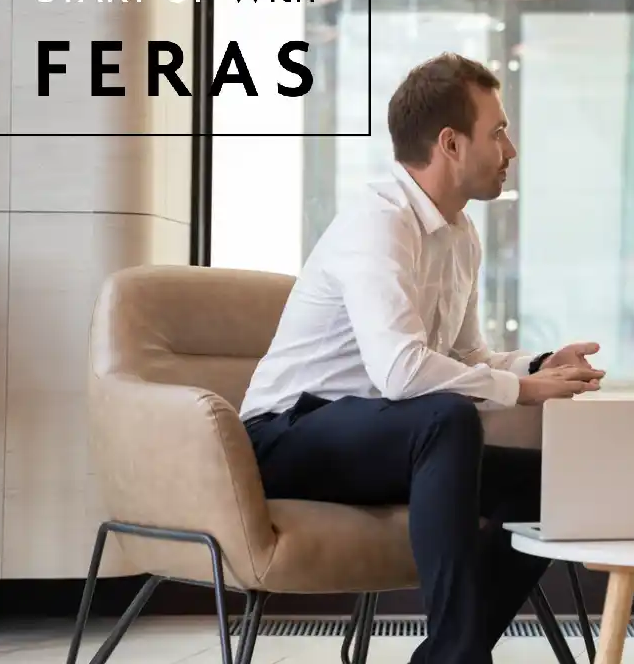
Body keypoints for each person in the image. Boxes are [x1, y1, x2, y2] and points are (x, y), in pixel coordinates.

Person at [237, 52, 606, 664]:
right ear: (450, 144)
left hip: (381, 434)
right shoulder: (378, 224)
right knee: (447, 418)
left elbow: (467, 355)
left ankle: (446, 655)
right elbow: (402, 371)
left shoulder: (460, 235)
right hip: (286, 435)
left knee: (551, 487)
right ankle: (459, 658)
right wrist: (522, 393)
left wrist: (535, 368)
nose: (510, 149)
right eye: (498, 132)